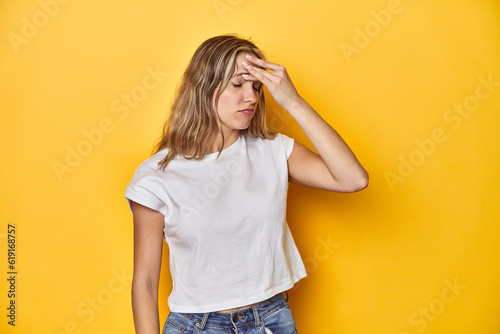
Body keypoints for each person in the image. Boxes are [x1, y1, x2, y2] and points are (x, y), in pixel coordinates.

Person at [125, 34, 368, 334]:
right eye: (238, 84)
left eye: (256, 86)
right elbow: (146, 283)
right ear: (204, 87)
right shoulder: (157, 177)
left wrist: (293, 101)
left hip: (271, 320)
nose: (252, 97)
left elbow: (353, 179)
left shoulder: (273, 150)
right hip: (197, 326)